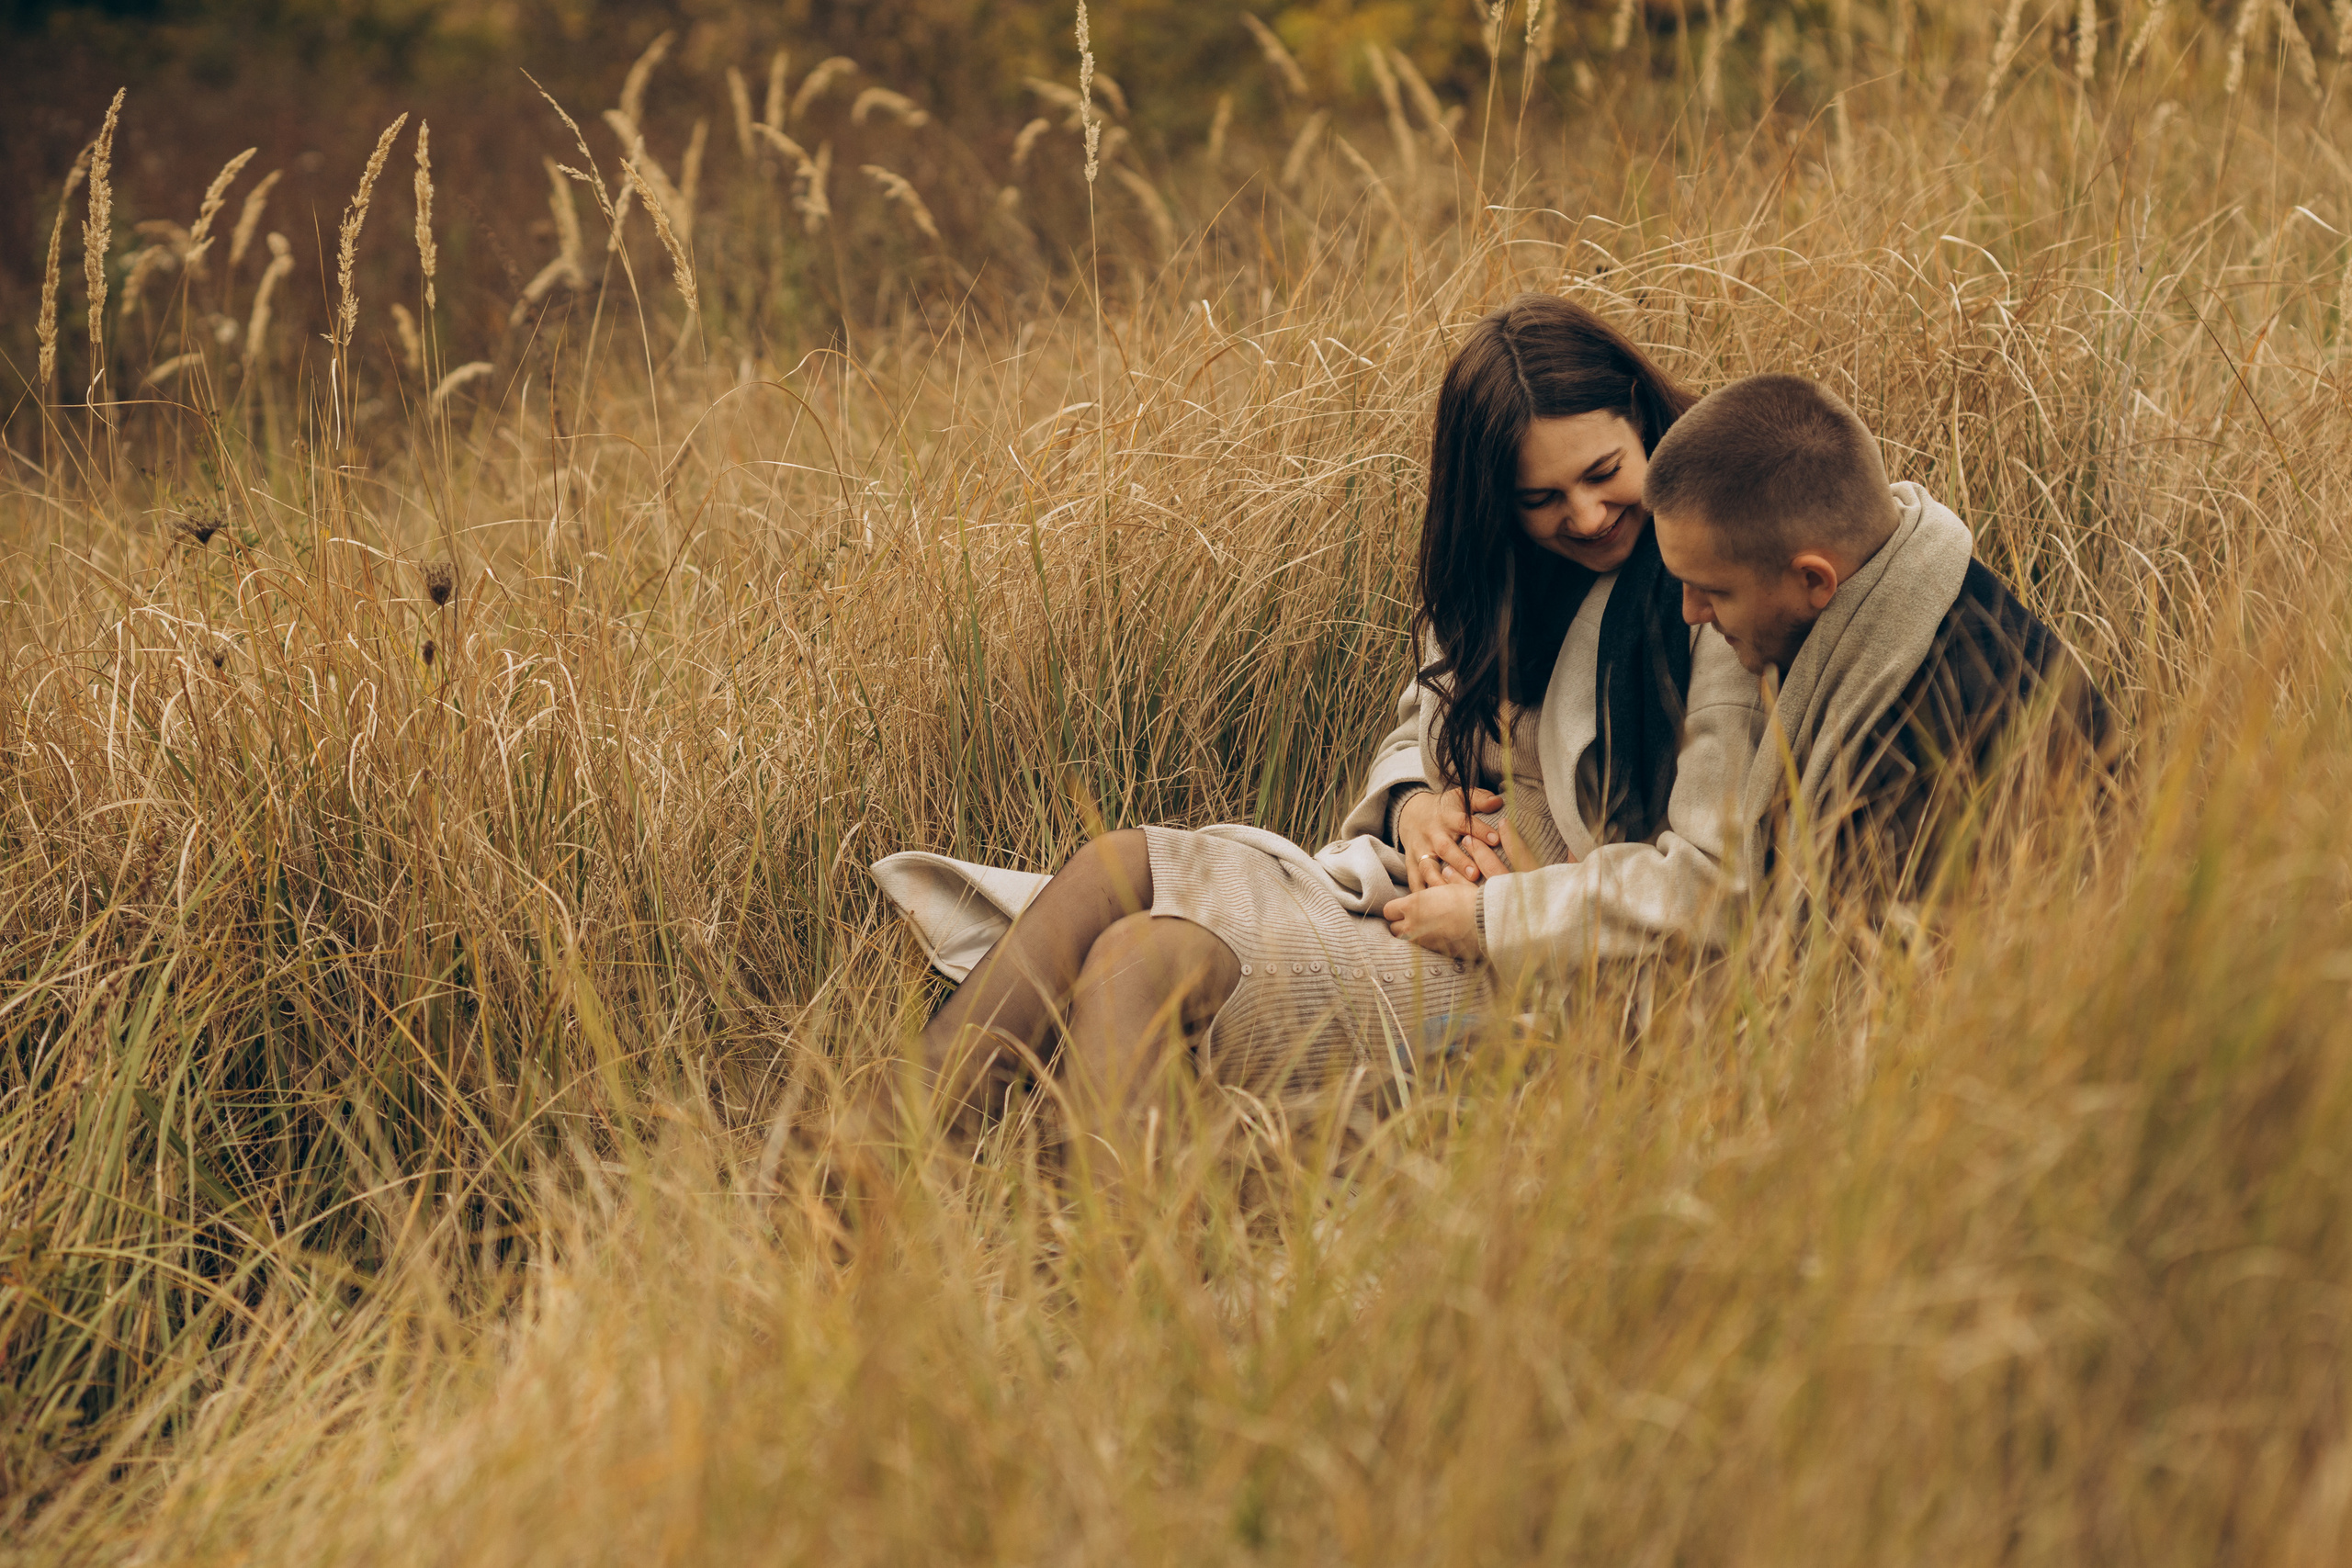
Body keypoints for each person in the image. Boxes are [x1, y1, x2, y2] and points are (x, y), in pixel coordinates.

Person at [875, 296, 1763, 1157]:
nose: (1586, 516)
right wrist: (1415, 805)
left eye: (1604, 473)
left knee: (1143, 943)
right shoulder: (1506, 580)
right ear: (1496, 502)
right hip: (1411, 903)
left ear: (1645, 420)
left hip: (1536, 964)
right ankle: (917, 1152)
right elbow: (1420, 725)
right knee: (1124, 879)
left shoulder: (1712, 595)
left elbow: (1712, 884)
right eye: (1542, 497)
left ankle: (973, 1175)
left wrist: (1490, 914)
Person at [1645, 374, 2116, 900]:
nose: (1690, 613)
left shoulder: (1922, 758)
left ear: (1814, 580)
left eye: (1714, 591)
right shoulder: (1921, 593)